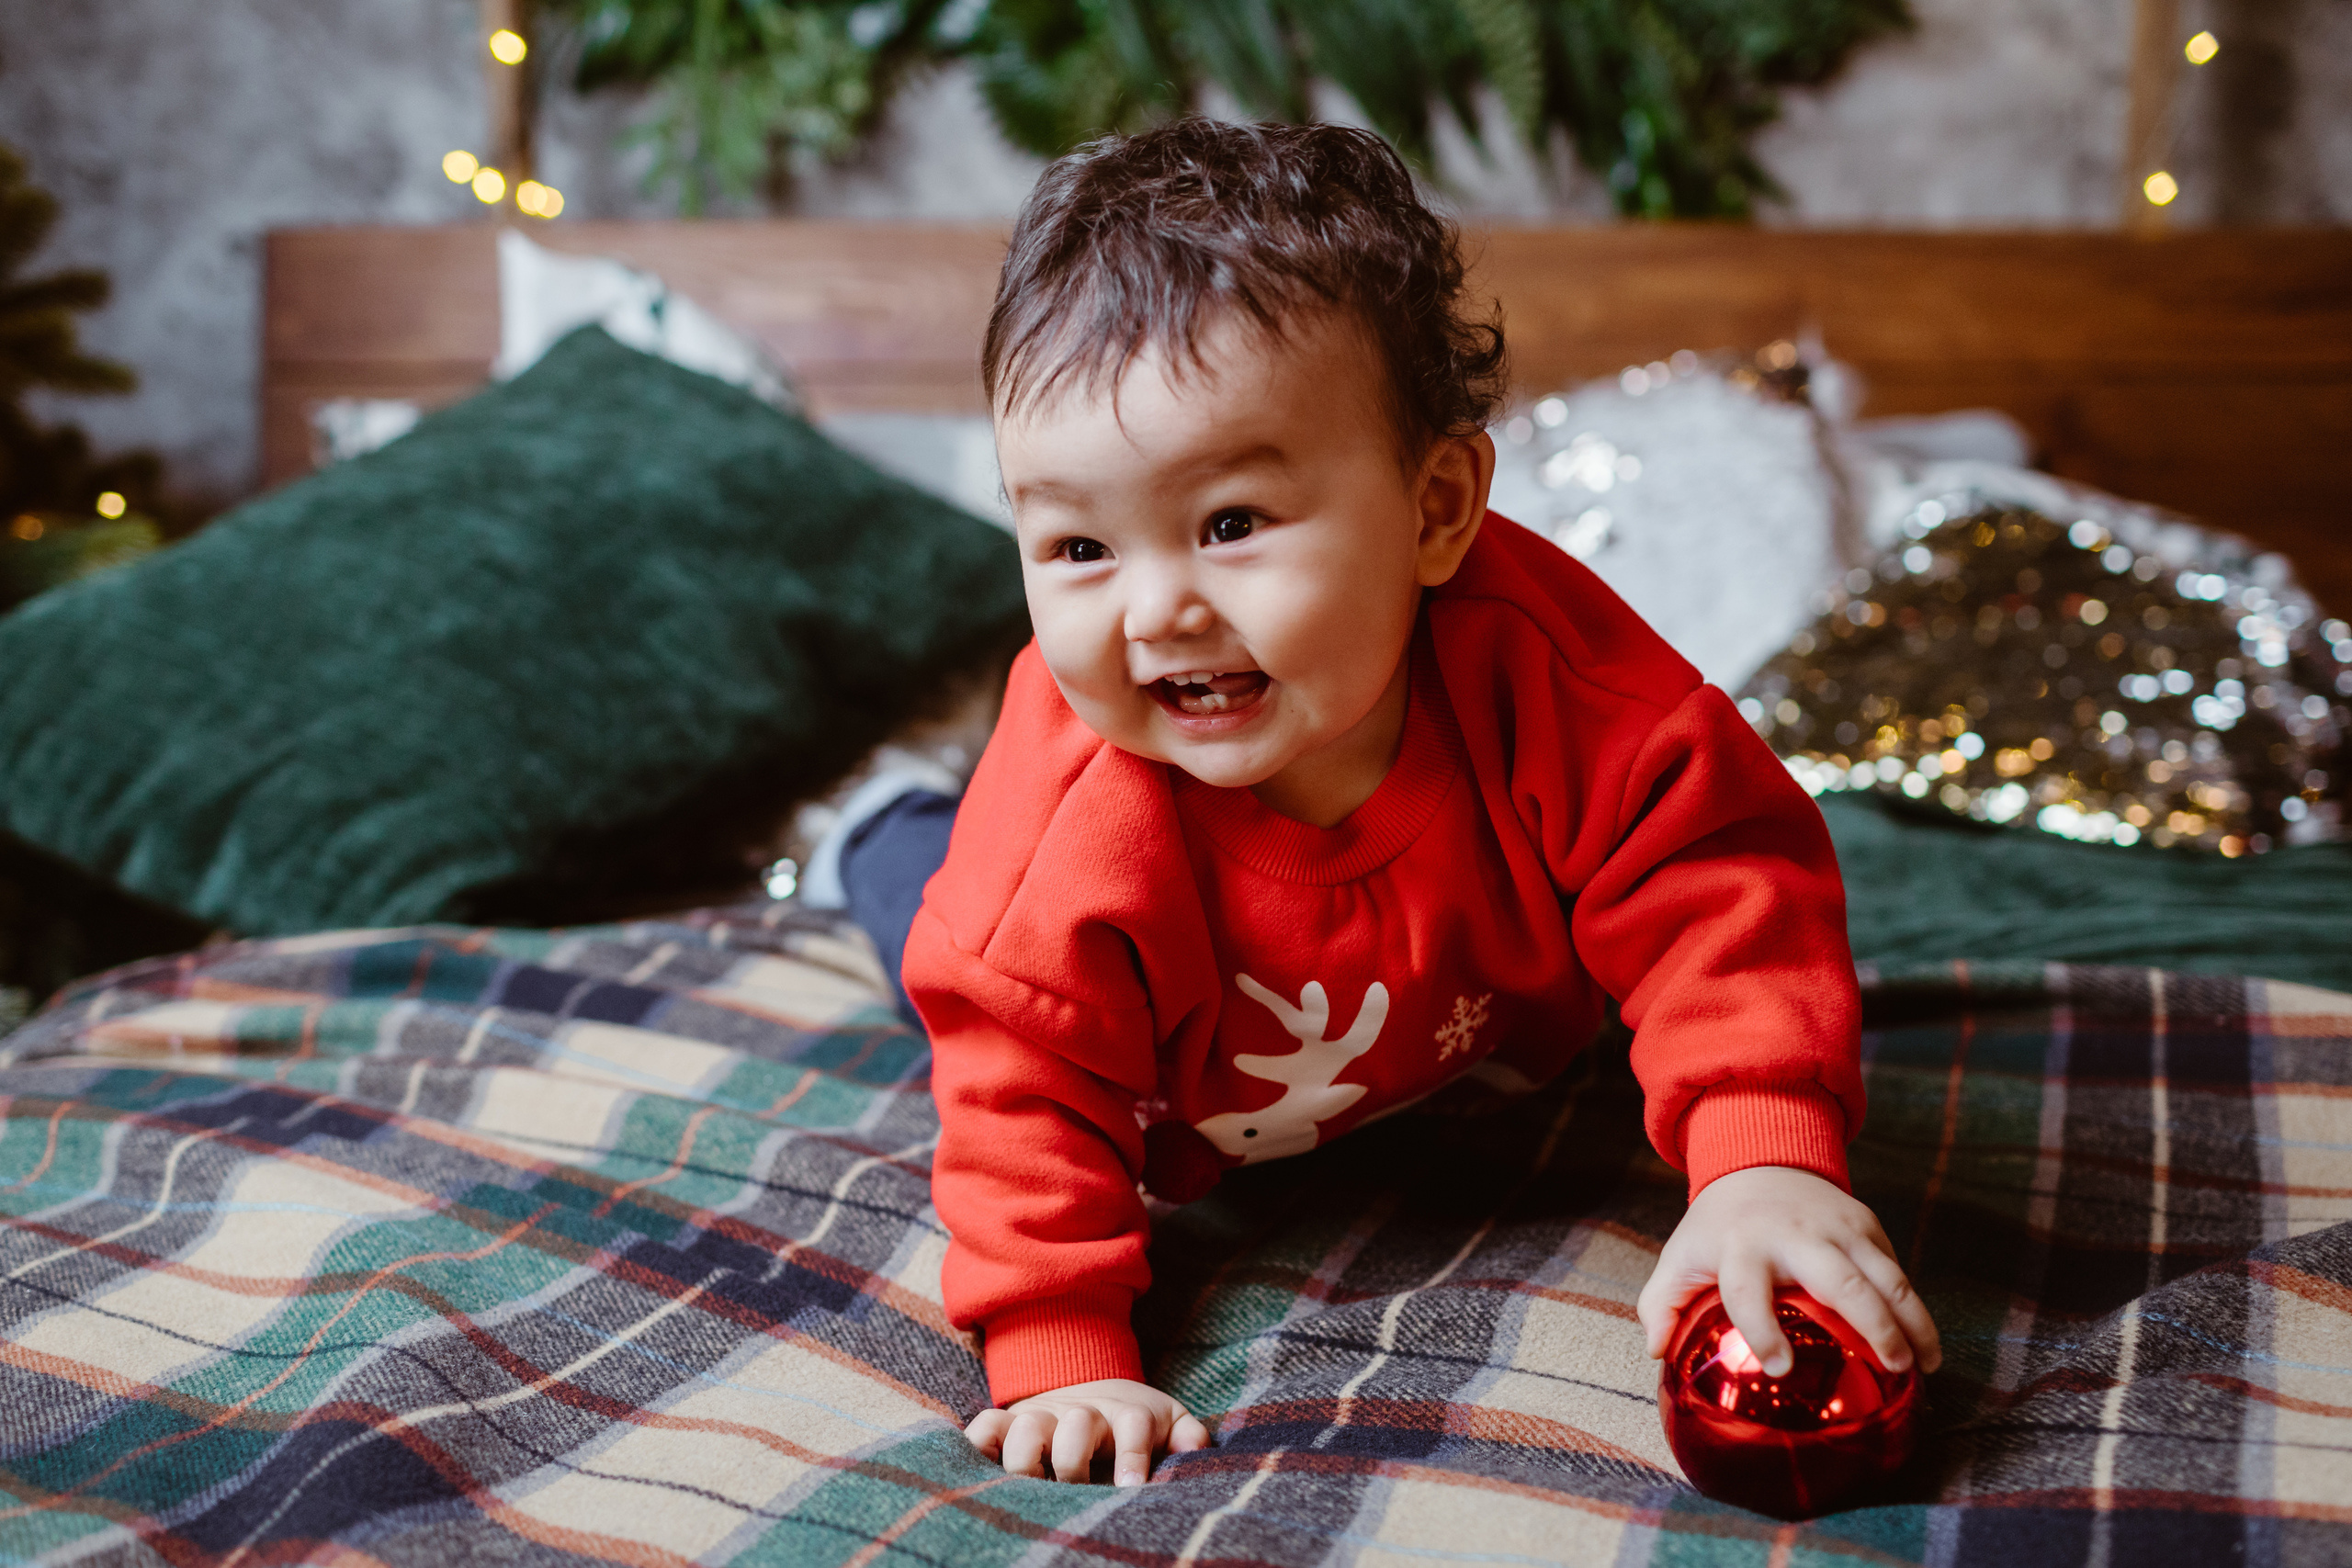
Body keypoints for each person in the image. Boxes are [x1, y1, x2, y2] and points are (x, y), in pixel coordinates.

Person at [821, 117, 1940, 1490]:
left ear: (1436, 509)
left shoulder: (1550, 677)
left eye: (1231, 521)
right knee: (926, 907)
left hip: (1449, 1047)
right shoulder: (1060, 843)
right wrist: (1062, 1347)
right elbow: (1023, 1080)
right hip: (1144, 1062)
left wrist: (1763, 1158)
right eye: (1077, 546)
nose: (1159, 608)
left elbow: (1716, 888)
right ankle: (873, 826)